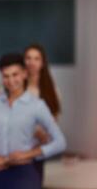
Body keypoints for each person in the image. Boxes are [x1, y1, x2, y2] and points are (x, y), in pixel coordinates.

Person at [0, 53, 66, 189]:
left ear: (24, 74)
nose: (11, 81)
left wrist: (28, 154)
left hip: (24, 172)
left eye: (15, 74)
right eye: (6, 76)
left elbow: (60, 142)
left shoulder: (37, 105)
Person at [24, 44, 62, 179]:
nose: (32, 62)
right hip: (18, 147)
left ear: (42, 63)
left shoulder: (51, 90)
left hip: (40, 149)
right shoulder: (16, 88)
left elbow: (55, 119)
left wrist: (44, 136)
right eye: (28, 58)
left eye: (36, 58)